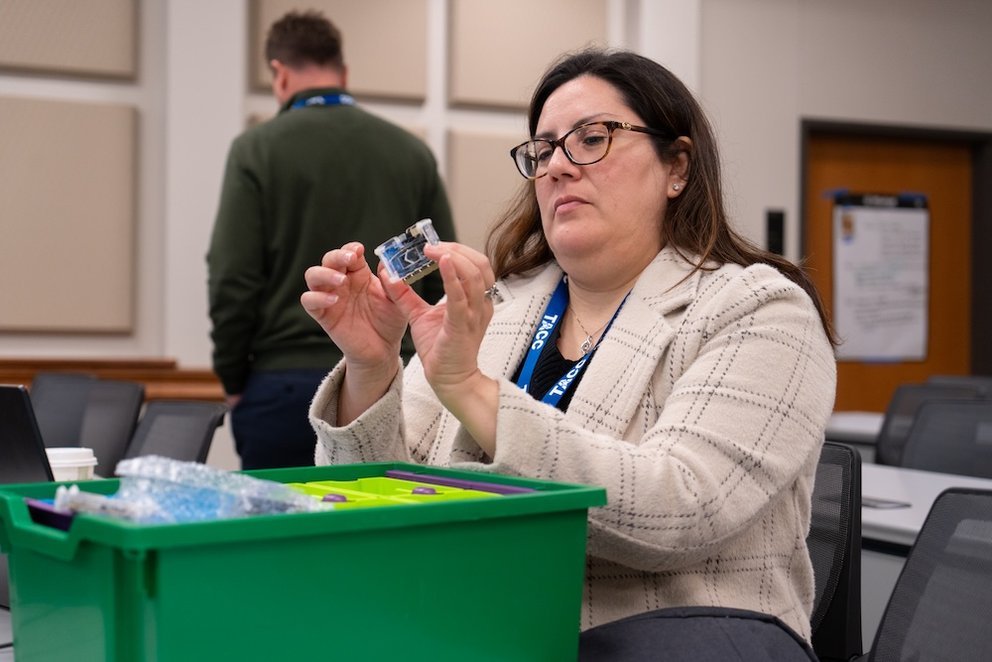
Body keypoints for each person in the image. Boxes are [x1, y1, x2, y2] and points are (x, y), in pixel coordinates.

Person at [300, 48, 837, 640]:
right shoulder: (500, 309)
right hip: (474, 631)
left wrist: (469, 388)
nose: (556, 166)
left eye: (592, 139)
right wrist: (372, 365)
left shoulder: (761, 309)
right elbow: (377, 502)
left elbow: (683, 508)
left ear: (677, 167)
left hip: (669, 643)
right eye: (543, 150)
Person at [207, 10, 455, 470]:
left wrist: (233, 378)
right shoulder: (411, 153)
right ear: (343, 72)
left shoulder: (255, 150)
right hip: (397, 382)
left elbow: (232, 277)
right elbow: (442, 271)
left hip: (282, 386)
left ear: (279, 73)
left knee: (276, 520)